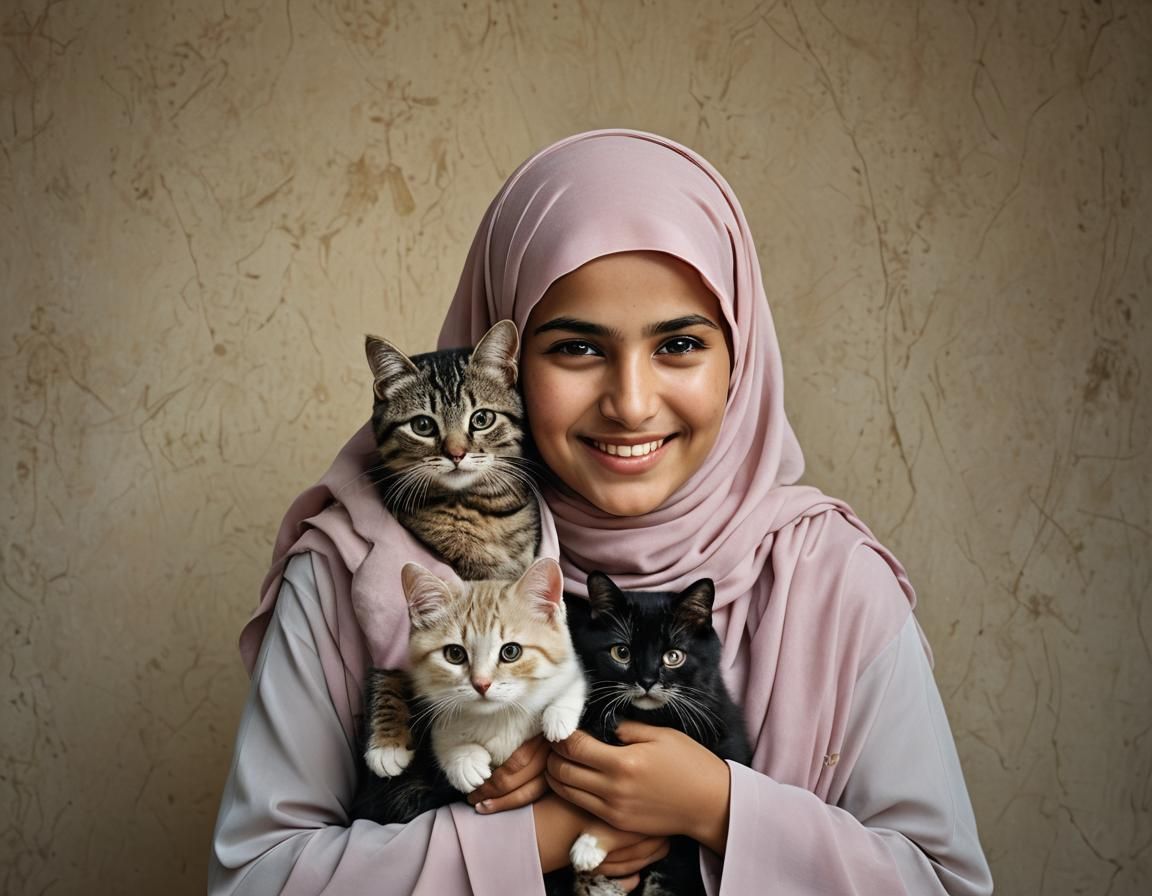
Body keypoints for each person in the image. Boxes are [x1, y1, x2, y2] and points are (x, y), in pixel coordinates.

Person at [208, 130, 993, 894]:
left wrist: (721, 809)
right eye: (578, 349)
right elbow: (254, 879)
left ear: (739, 358)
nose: (630, 403)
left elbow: (942, 882)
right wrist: (535, 834)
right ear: (508, 366)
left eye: (679, 345)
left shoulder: (831, 579)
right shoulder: (362, 563)